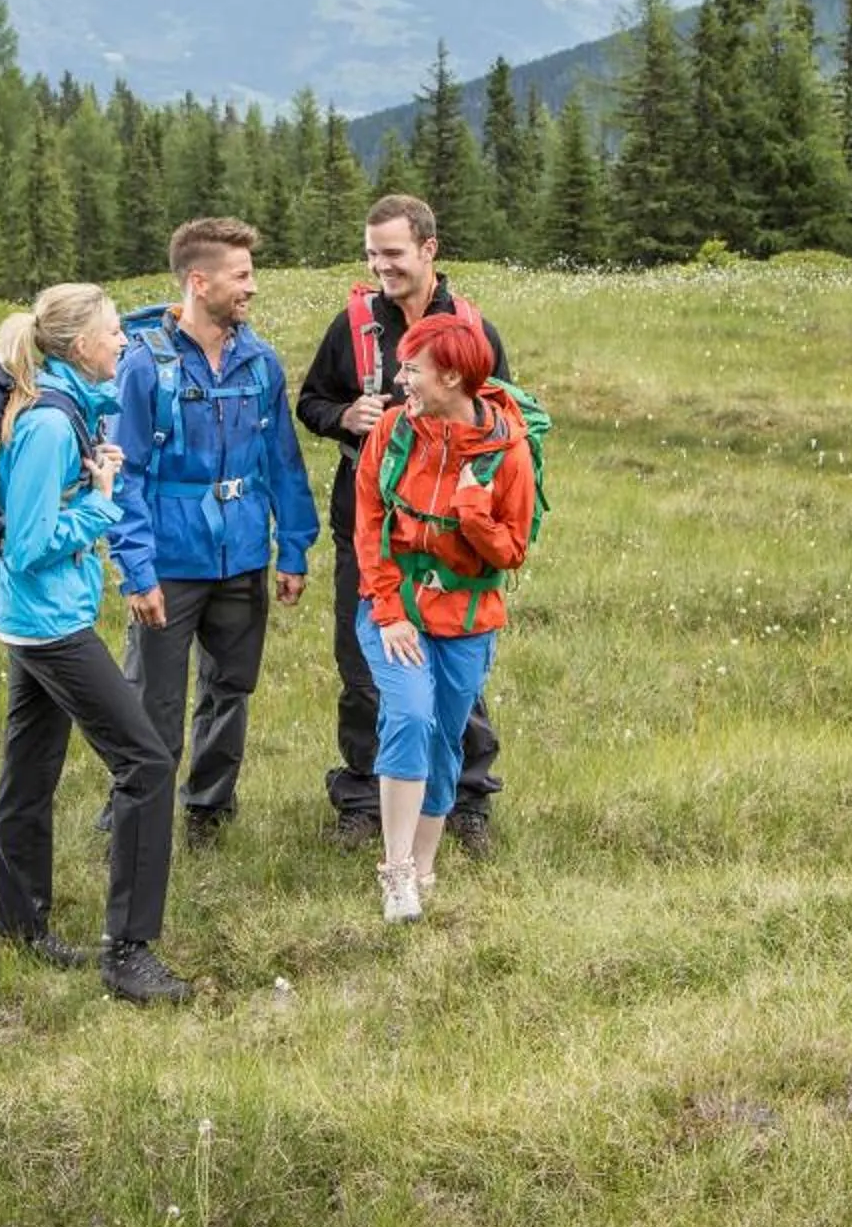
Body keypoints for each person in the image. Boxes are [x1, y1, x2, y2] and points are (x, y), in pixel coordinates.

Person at [0, 284, 193, 1005]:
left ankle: (20, 930)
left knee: (29, 771)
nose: (124, 345)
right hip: (50, 625)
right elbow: (31, 543)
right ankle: (128, 953)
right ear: (76, 348)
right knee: (147, 763)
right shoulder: (46, 427)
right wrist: (101, 506)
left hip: (33, 618)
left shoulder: (66, 407)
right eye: (112, 335)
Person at [296, 195, 512, 846]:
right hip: (367, 530)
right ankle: (363, 797)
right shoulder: (354, 324)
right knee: (365, 666)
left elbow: (504, 422)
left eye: (392, 253)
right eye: (371, 254)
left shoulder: (472, 329)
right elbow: (310, 400)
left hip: (455, 543)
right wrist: (343, 418)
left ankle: (465, 798)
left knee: (455, 673)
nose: (380, 266)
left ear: (428, 249)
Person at [110, 216, 319, 847]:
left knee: (230, 689)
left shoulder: (261, 362)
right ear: (199, 282)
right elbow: (126, 477)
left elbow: (282, 460)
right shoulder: (146, 368)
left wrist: (295, 547)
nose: (252, 288)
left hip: (244, 557)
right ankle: (135, 807)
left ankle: (209, 809)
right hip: (170, 565)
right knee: (154, 700)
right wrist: (137, 570)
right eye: (242, 276)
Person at [351, 310, 535, 920]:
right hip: (395, 608)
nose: (401, 380)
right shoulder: (395, 432)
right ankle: (396, 871)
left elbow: (513, 552)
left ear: (453, 378)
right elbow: (370, 521)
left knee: (445, 738)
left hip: (467, 618)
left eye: (412, 369)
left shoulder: (506, 453)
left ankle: (423, 871)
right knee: (408, 714)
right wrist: (388, 609)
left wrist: (475, 515)